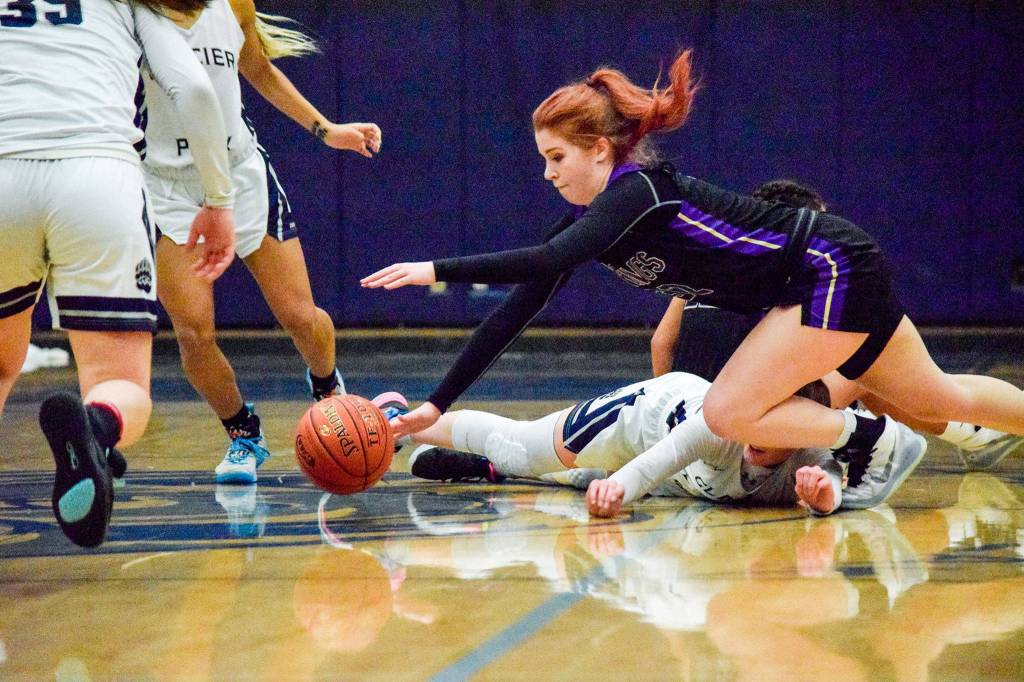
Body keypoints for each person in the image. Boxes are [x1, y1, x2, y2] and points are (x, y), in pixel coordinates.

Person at [361, 49, 1024, 502]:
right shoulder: (591, 218)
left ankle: (873, 441)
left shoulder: (637, 190)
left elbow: (542, 262)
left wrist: (433, 271)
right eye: (542, 158)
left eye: (557, 156)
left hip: (824, 266)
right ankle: (880, 434)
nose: (548, 172)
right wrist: (436, 404)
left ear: (599, 150)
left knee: (730, 410)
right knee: (944, 402)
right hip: (836, 268)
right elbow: (515, 311)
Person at [0, 0, 237, 547]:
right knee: (121, 383)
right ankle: (99, 427)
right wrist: (219, 199)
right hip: (96, 174)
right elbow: (196, 91)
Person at [143, 0, 382, 483]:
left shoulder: (234, 5)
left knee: (299, 317)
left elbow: (258, 68)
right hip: (168, 185)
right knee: (192, 332)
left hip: (241, 176)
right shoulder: (131, 12)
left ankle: (326, 386)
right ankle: (243, 434)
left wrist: (327, 129)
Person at [651, 179, 1023, 471]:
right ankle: (972, 435)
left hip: (686, 426)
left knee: (892, 378)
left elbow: (661, 343)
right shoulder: (796, 273)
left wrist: (671, 411)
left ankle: (974, 434)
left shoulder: (715, 261)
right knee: (867, 369)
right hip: (751, 433)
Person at [407, 371, 928, 517]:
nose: (755, 440)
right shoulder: (723, 425)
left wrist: (823, 498)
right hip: (645, 417)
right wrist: (621, 492)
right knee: (525, 447)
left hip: (678, 481)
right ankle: (397, 422)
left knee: (577, 479)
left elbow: (834, 483)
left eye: (771, 439)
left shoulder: (809, 456)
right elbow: (662, 458)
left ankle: (482, 469)